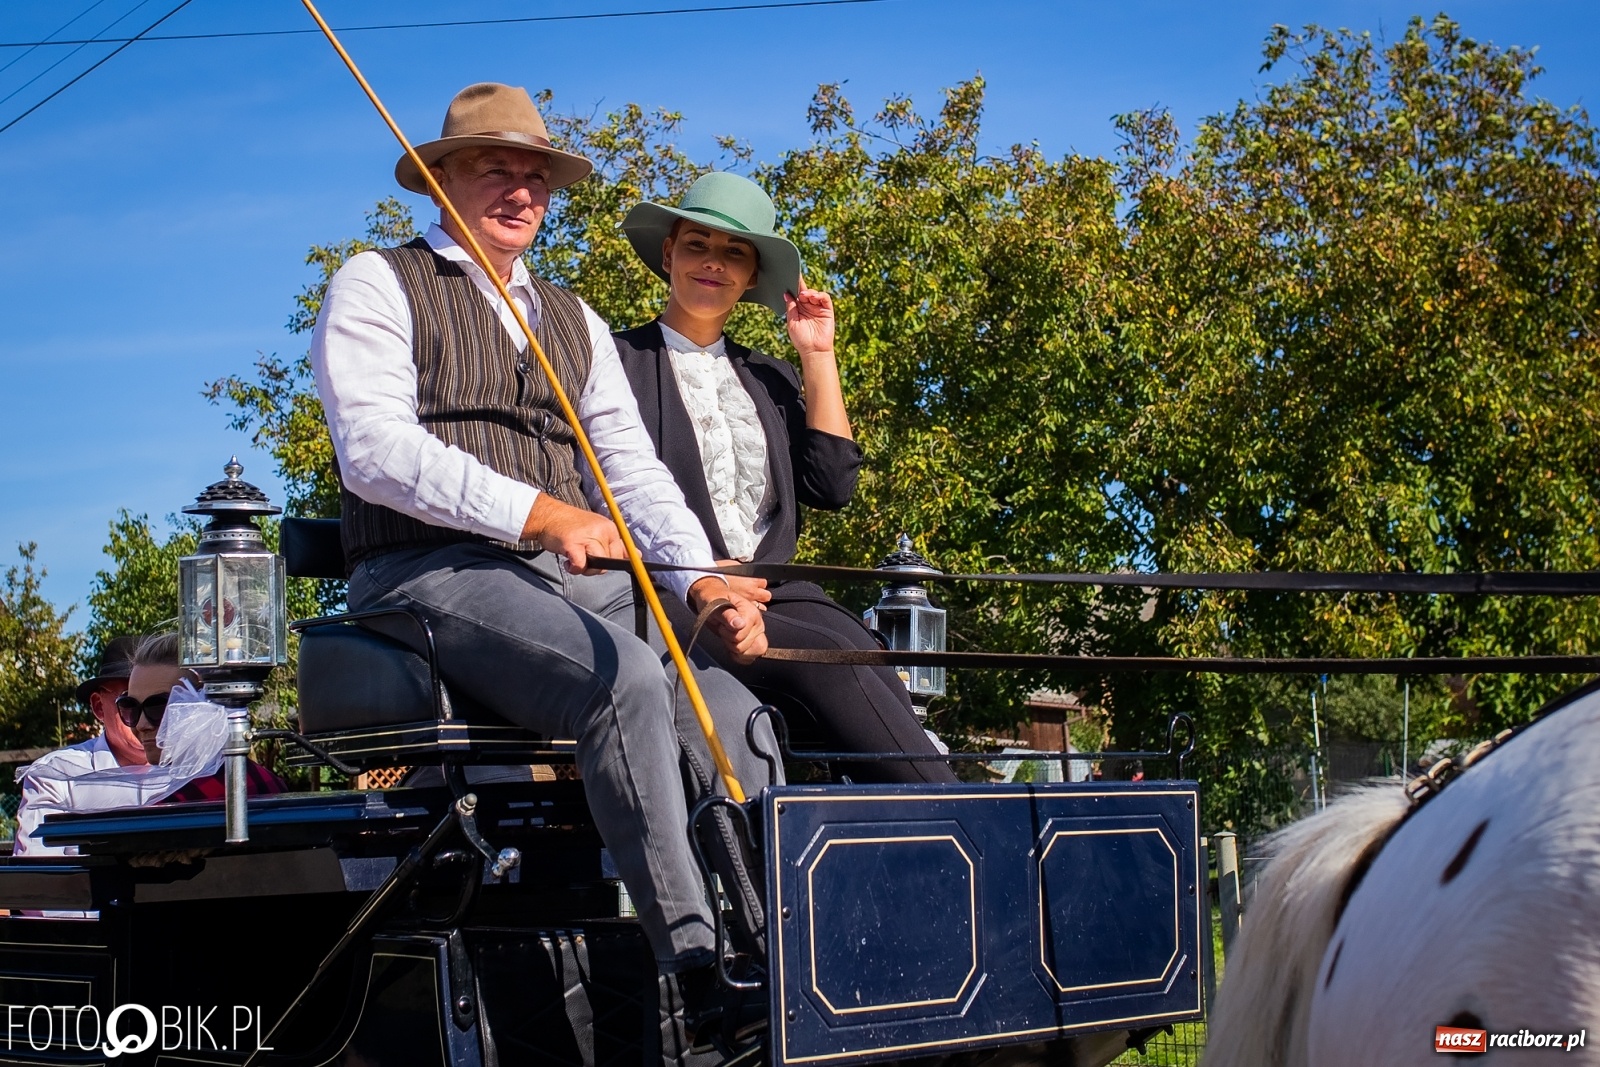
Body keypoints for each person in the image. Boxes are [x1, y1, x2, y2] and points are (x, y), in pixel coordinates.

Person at [309, 83, 778, 1038]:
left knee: (728, 698)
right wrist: (537, 512)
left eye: (537, 177)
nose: (522, 192)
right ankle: (692, 963)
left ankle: (775, 947)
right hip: (424, 572)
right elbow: (375, 451)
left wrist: (701, 582)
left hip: (561, 579)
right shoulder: (378, 281)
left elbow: (632, 472)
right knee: (629, 684)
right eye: (496, 171)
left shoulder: (573, 318)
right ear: (441, 181)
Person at [614, 172, 957, 785]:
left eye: (734, 253)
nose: (713, 264)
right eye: (697, 244)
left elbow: (832, 485)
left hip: (776, 590)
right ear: (668, 253)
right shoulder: (615, 363)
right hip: (671, 590)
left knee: (874, 659)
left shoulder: (767, 377)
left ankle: (912, 845)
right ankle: (973, 826)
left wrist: (816, 354)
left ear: (751, 279)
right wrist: (703, 574)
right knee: (831, 664)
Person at [12, 637, 148, 856]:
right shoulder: (56, 776)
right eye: (128, 701)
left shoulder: (195, 769)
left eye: (159, 701)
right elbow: (38, 877)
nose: (146, 719)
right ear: (98, 707)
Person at [117, 634, 286, 802]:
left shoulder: (182, 802)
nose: (141, 724)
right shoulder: (267, 780)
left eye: (158, 708)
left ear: (206, 704)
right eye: (130, 706)